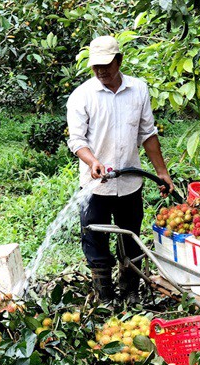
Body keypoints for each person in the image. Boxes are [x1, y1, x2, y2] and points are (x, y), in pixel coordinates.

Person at [66, 35, 174, 305]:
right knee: (94, 239)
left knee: (131, 237)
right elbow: (77, 140)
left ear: (119, 60)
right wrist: (93, 162)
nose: (101, 71)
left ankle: (130, 292)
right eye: (96, 66)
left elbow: (147, 134)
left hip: (130, 182)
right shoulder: (82, 96)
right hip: (96, 186)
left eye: (106, 64)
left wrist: (161, 171)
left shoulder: (138, 90)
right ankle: (104, 297)